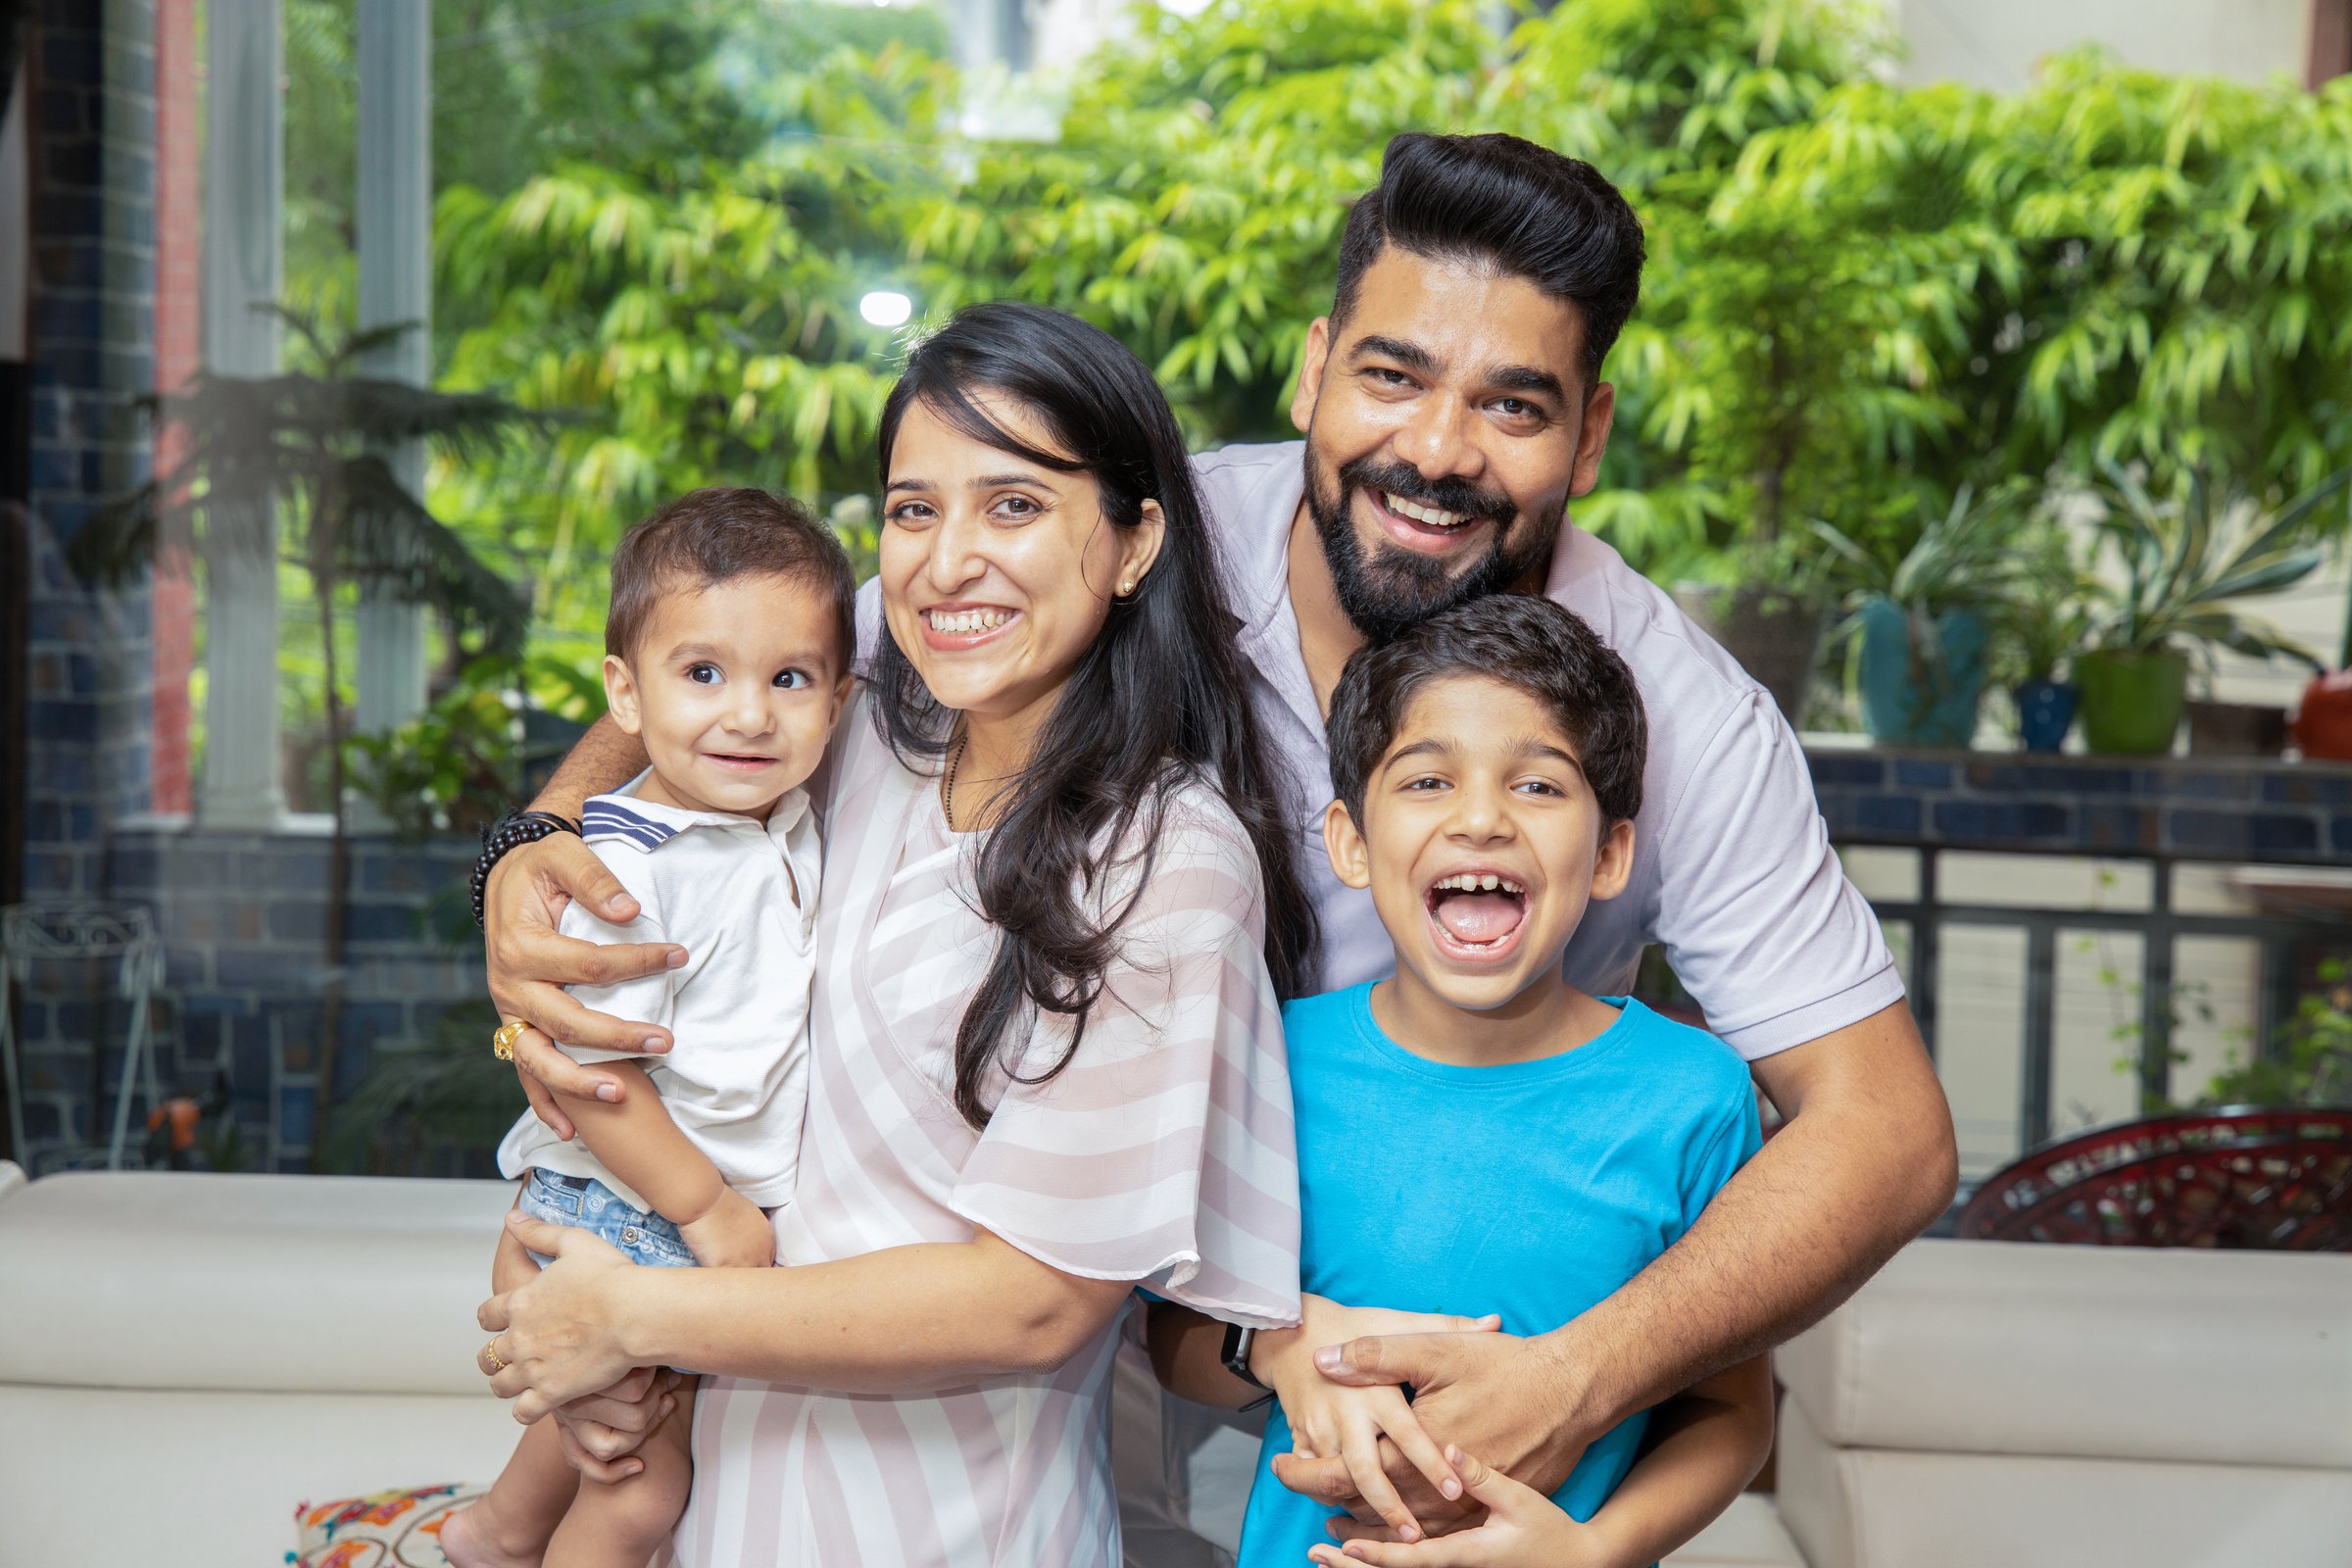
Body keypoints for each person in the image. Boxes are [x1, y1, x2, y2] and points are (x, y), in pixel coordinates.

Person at [477, 132, 1956, 1546]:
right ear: (1317, 370)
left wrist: (1576, 1378)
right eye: (1392, 375)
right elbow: (780, 659)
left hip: (1375, 1295)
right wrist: (537, 842)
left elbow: (1885, 1137)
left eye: (1512, 404)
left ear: (1591, 430)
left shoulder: (1674, 712)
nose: (1435, 451)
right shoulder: (1144, 551)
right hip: (1080, 1305)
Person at [473, 304, 1493, 1566]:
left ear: (1132, 545)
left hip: (945, 1522)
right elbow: (688, 678)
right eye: (913, 510)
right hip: (715, 1490)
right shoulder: (867, 741)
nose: (948, 559)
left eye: (1013, 506)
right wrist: (520, 858)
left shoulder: (1166, 858)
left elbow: (1032, 1304)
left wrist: (632, 1313)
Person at [1154, 596, 1773, 1568]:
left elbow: (1733, 1411)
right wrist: (1282, 1342)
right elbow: (1177, 1337)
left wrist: (1595, 1551)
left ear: (1610, 852)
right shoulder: (1268, 1057)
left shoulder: (1695, 1097)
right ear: (1353, 842)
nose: (1480, 818)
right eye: (1429, 779)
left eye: (1537, 786)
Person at [443, 489, 857, 1568]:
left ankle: (491, 1534)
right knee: (638, 1492)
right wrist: (712, 1210)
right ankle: (492, 1535)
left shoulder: (783, 822)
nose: (751, 714)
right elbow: (587, 1071)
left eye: (791, 678)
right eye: (703, 673)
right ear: (624, 691)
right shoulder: (633, 870)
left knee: (598, 1465)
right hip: (618, 1209)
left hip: (645, 1211)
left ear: (843, 697)